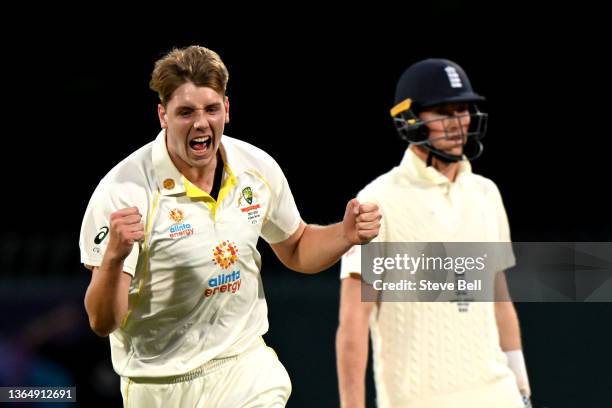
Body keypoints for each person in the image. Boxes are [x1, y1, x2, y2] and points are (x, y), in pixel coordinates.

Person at [79, 45, 381, 408]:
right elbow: (102, 321)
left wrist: (344, 234)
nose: (201, 123)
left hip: (246, 370)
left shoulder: (256, 167)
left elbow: (297, 246)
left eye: (211, 109)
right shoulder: (122, 192)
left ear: (227, 109)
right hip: (158, 384)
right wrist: (113, 257)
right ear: (163, 115)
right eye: (185, 112)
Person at [336, 59, 532, 408]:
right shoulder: (377, 200)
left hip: (498, 394)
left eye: (463, 109)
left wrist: (521, 385)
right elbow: (353, 324)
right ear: (410, 120)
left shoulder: (486, 193)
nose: (458, 122)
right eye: (443, 111)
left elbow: (500, 298)